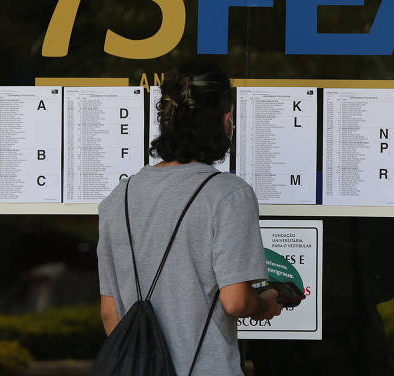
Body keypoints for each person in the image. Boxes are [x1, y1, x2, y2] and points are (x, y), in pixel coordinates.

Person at [96, 61, 281, 375]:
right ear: (226, 120)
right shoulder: (227, 194)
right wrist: (265, 304)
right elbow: (235, 301)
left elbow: (110, 313)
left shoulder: (118, 198)